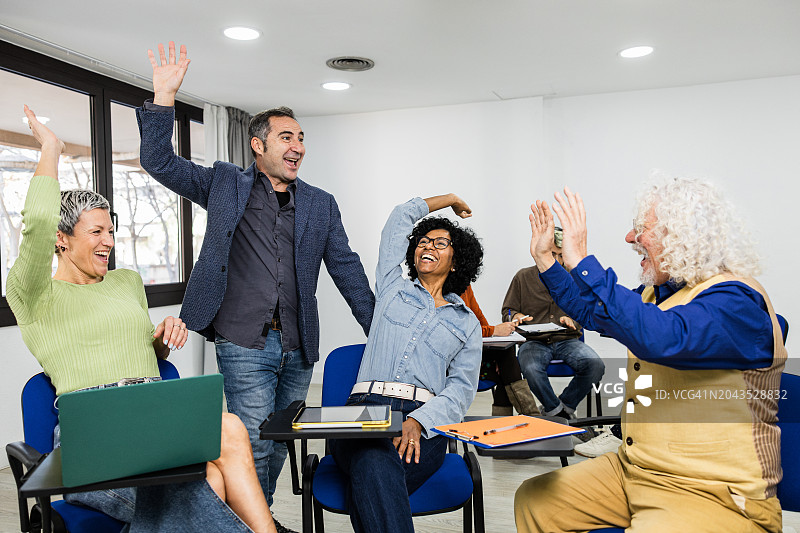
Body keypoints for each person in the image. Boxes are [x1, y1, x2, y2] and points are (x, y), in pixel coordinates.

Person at [136, 42, 375, 527]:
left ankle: (249, 521)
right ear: (258, 145)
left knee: (281, 442)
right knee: (254, 442)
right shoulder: (224, 184)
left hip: (299, 344)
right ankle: (257, 523)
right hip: (244, 341)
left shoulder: (321, 204)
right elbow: (159, 161)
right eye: (287, 137)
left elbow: (347, 269)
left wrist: (381, 330)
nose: (298, 147)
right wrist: (163, 97)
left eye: (302, 138)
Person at [8, 106, 277, 533]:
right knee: (205, 480)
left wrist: (161, 339)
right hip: (94, 435)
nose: (108, 242)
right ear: (61, 240)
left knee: (228, 427)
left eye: (110, 231)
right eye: (96, 232)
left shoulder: (126, 282)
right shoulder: (34, 294)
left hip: (150, 415)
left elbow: (143, 353)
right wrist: (51, 150)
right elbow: (37, 221)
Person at [515, 179, 786, 532]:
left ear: (682, 235)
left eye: (641, 229)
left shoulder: (735, 301)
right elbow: (591, 308)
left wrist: (582, 259)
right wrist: (546, 260)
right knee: (537, 500)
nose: (630, 238)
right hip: (636, 470)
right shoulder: (656, 294)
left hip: (714, 491)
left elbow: (662, 337)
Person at [329, 194, 483, 533]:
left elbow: (460, 391)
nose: (427, 246)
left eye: (441, 243)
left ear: (456, 261)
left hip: (424, 423)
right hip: (363, 409)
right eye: (423, 241)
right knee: (374, 460)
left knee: (372, 469)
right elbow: (401, 218)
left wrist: (419, 420)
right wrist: (450, 200)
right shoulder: (391, 288)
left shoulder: (467, 323)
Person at [501, 227, 604, 421]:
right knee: (530, 368)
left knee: (595, 365)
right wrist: (516, 316)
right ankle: (560, 413)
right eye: (551, 255)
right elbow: (507, 310)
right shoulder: (523, 277)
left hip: (567, 340)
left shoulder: (576, 278)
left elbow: (589, 312)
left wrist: (573, 320)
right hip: (533, 341)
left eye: (560, 255)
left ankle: (560, 409)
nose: (556, 261)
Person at [460, 285, 540, 416]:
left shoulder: (465, 286)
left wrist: (492, 339)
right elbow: (459, 331)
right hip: (455, 356)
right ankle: (531, 416)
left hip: (473, 350)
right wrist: (494, 331)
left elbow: (481, 322)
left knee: (505, 352)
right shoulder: (440, 290)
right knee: (506, 370)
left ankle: (515, 419)